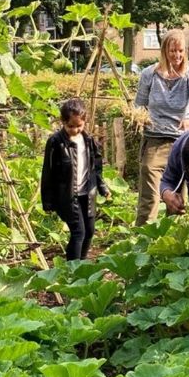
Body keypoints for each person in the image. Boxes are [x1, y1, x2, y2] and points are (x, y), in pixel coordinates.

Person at [134, 29, 189, 226]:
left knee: (177, 195)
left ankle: (172, 240)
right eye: (172, 51)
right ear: (164, 51)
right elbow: (139, 104)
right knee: (150, 196)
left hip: (180, 141)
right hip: (154, 139)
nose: (177, 56)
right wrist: (138, 117)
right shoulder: (149, 74)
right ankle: (144, 237)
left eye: (181, 51)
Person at [40, 98, 111, 261]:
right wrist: (48, 201)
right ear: (63, 122)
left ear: (85, 122)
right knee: (79, 232)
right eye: (70, 126)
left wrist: (102, 187)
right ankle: (72, 268)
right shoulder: (56, 142)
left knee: (90, 231)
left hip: (88, 192)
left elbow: (96, 167)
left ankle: (82, 263)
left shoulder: (89, 141)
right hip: (67, 195)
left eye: (79, 126)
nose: (75, 130)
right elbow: (48, 171)